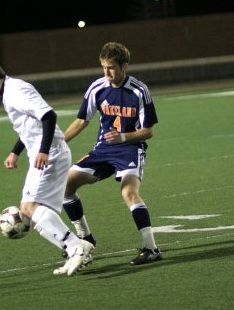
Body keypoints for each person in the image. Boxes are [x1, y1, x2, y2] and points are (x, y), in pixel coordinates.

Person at [0, 60, 94, 276]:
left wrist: (44, 150)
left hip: (50, 153)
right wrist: (15, 151)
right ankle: (74, 249)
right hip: (47, 152)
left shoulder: (16, 91)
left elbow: (48, 116)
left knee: (28, 207)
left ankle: (77, 247)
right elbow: (28, 126)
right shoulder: (10, 92)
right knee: (35, 210)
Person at [62, 42, 162, 266]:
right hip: (103, 150)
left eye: (111, 68)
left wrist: (124, 137)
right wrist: (59, 142)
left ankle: (151, 248)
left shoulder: (139, 90)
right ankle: (85, 239)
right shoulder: (97, 87)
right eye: (103, 67)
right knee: (66, 186)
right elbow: (81, 120)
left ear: (124, 66)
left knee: (129, 193)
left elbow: (149, 131)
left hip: (130, 149)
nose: (106, 73)